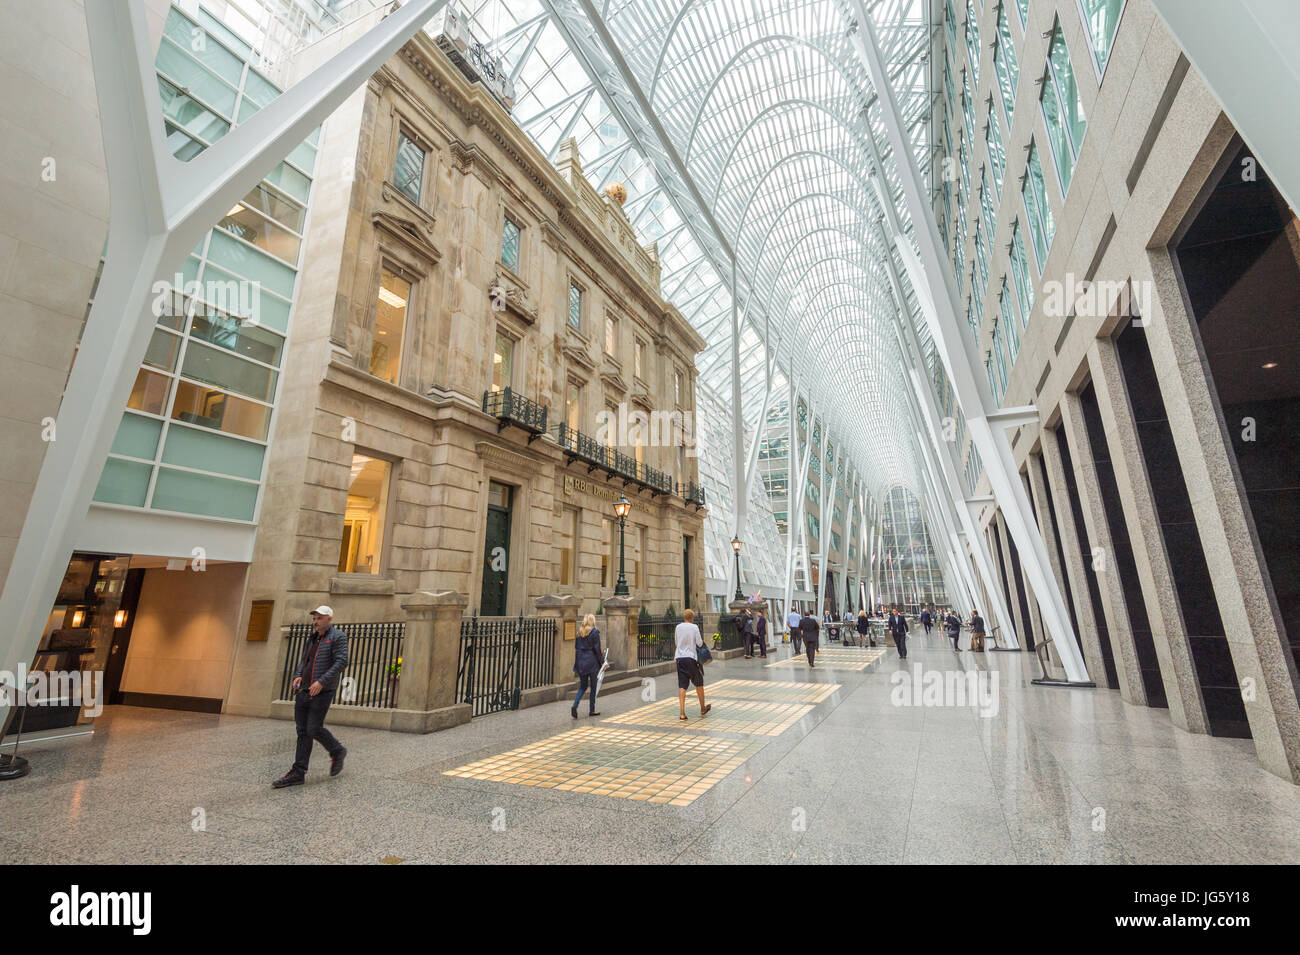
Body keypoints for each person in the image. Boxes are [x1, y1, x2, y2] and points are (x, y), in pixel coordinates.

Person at [275, 606, 349, 789]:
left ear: (329, 619)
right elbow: (304, 660)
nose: (316, 622)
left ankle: (337, 750)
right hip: (305, 690)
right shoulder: (313, 637)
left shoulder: (338, 637)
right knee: (302, 731)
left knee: (314, 728)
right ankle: (298, 773)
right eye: (314, 618)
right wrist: (298, 675)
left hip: (322, 691)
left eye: (319, 618)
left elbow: (341, 661)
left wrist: (321, 682)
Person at [674, 609, 711, 721]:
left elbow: (676, 643)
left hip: (679, 658)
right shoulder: (694, 627)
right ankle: (703, 708)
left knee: (682, 685)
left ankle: (682, 713)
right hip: (691, 658)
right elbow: (699, 643)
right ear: (692, 618)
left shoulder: (678, 627)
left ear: (684, 617)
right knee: (699, 683)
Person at [571, 612, 603, 718]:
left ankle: (575, 705)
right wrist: (602, 662)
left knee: (583, 686)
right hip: (592, 663)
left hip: (581, 662)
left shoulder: (579, 632)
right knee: (593, 687)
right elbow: (597, 649)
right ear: (592, 621)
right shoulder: (594, 632)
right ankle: (592, 710)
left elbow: (577, 647)